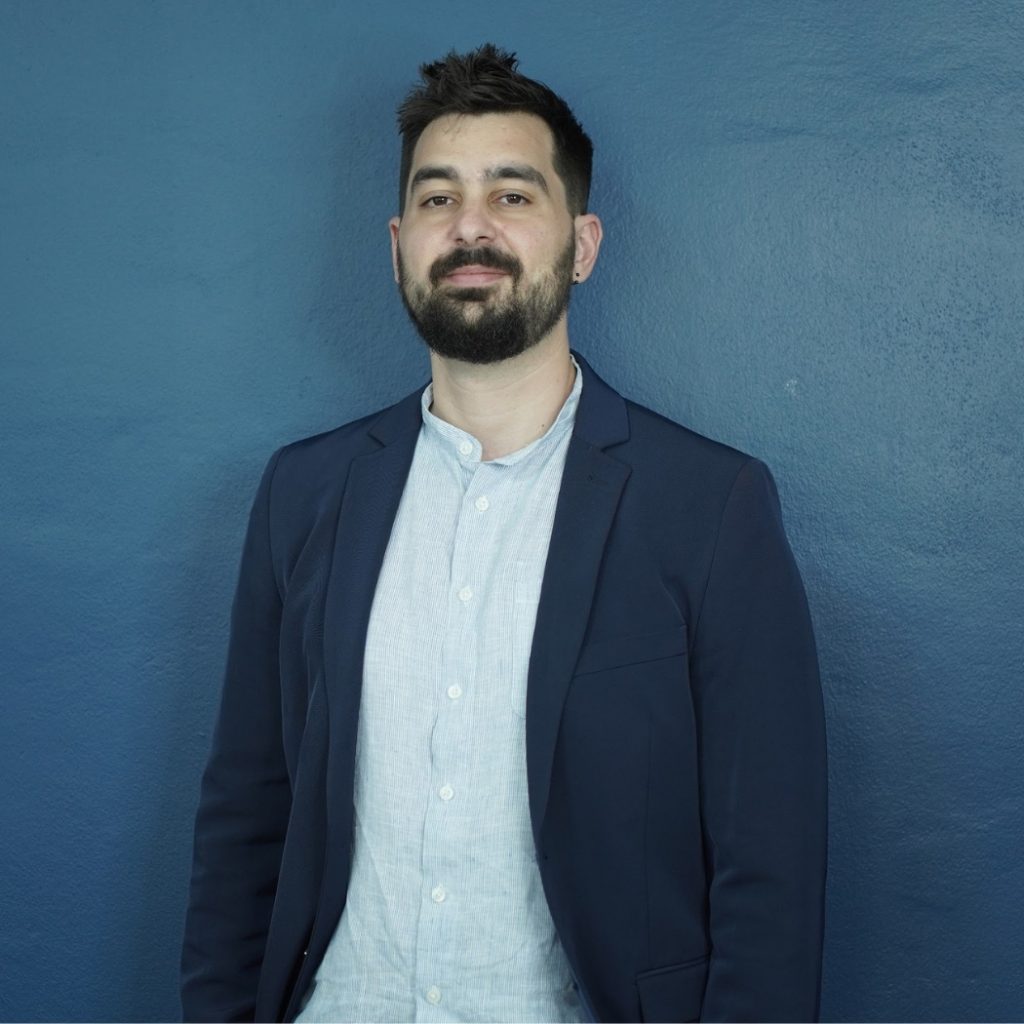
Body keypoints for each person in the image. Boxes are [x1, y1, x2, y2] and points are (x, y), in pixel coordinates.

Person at [181, 44, 827, 1024]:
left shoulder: (709, 505)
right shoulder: (303, 494)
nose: (469, 226)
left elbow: (769, 867)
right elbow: (246, 813)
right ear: (398, 241)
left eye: (513, 196)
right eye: (437, 199)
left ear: (583, 244)